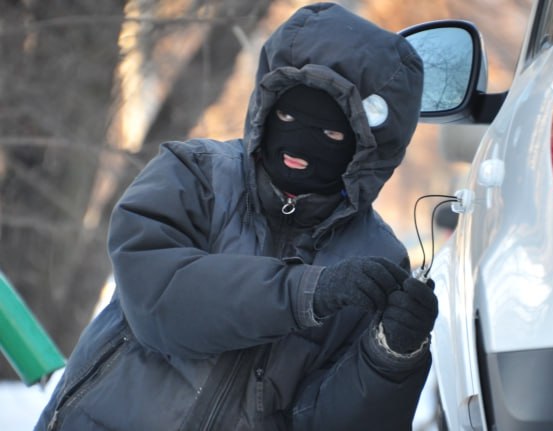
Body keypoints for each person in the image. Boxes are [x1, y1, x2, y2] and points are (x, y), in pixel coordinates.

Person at [36, 3, 437, 430]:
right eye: (288, 116)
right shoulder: (193, 174)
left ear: (368, 147)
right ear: (266, 106)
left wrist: (390, 359)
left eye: (332, 133)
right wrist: (306, 293)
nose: (300, 142)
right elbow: (161, 302)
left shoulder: (377, 257)